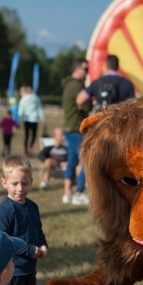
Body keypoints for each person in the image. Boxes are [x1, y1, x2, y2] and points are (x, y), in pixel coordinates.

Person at [0, 156, 48, 285]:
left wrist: (43, 244)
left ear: (31, 181)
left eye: (24, 183)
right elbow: (3, 240)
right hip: (11, 272)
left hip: (29, 269)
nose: (20, 188)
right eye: (14, 184)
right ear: (4, 183)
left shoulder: (32, 207)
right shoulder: (5, 210)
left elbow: (38, 231)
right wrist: (30, 250)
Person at [61, 58, 91, 205]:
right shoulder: (77, 87)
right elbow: (86, 106)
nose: (87, 73)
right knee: (87, 159)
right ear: (77, 69)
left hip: (69, 127)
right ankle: (79, 193)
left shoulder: (68, 84)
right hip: (76, 128)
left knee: (72, 161)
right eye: (86, 69)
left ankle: (67, 193)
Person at [17, 85, 45, 156]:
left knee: (26, 135)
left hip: (26, 119)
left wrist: (19, 120)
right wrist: (43, 119)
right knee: (34, 135)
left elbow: (21, 110)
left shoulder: (23, 99)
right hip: (34, 119)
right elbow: (39, 109)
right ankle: (31, 147)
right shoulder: (36, 98)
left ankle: (26, 151)